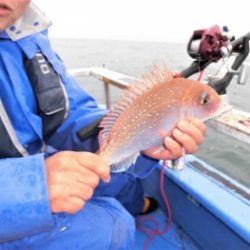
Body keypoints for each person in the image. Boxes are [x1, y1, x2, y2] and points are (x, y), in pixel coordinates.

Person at [0, 1, 206, 249]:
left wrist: (143, 140)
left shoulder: (27, 38)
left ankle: (137, 203)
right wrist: (29, 187)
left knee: (123, 181)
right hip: (18, 190)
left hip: (39, 163)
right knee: (110, 226)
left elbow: (68, 115)